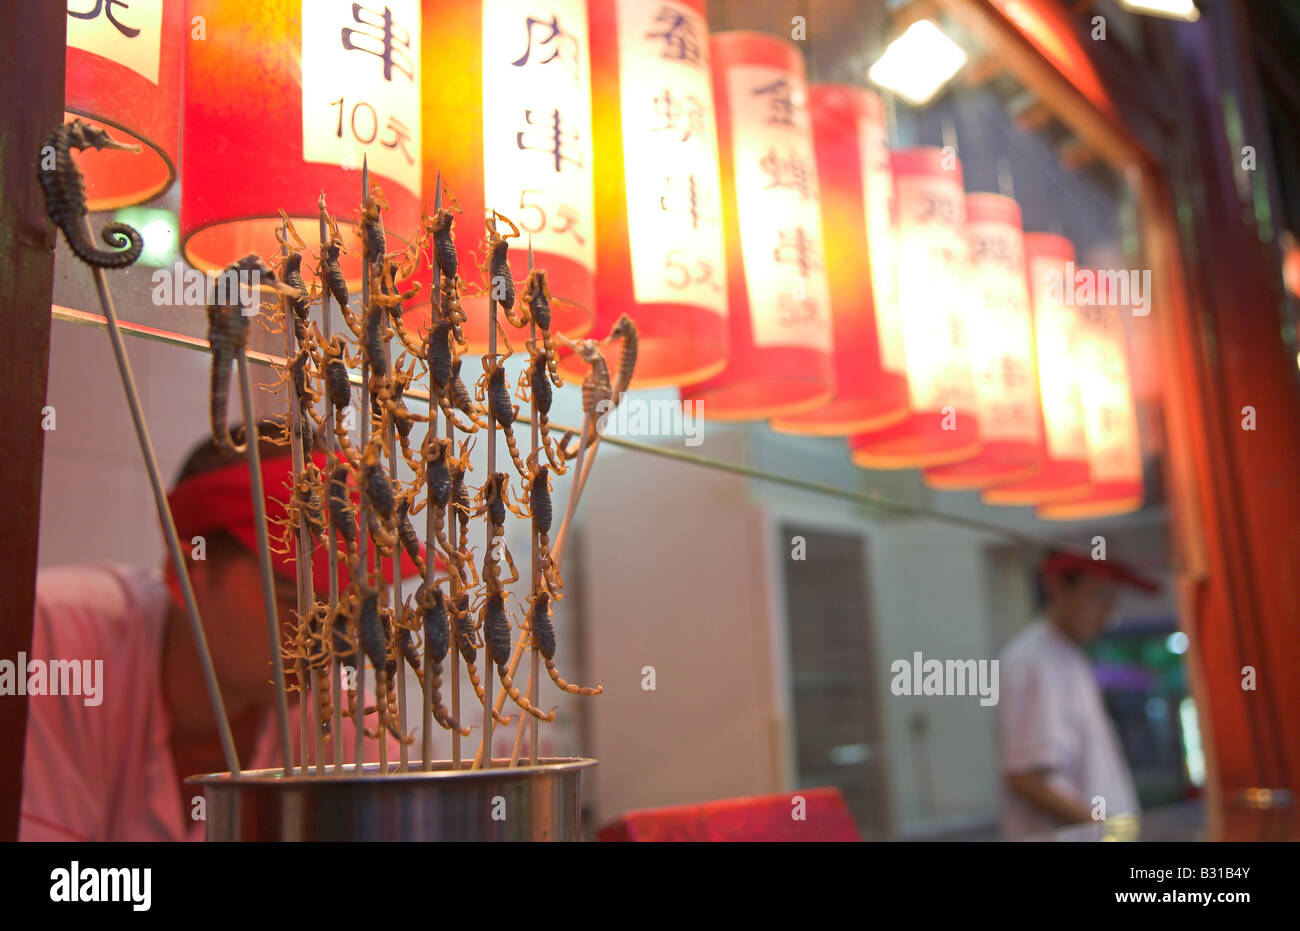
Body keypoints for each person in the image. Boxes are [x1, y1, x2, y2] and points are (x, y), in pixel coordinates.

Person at [20, 423, 424, 841]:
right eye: (293, 597)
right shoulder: (54, 648)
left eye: (351, 604)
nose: (334, 637)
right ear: (186, 571)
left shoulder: (348, 728)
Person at [996, 550, 1157, 840]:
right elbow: (1026, 779)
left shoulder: (1070, 657)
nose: (1108, 613)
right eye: (1099, 597)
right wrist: (1109, 833)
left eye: (1112, 600)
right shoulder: (1033, 661)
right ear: (1057, 587)